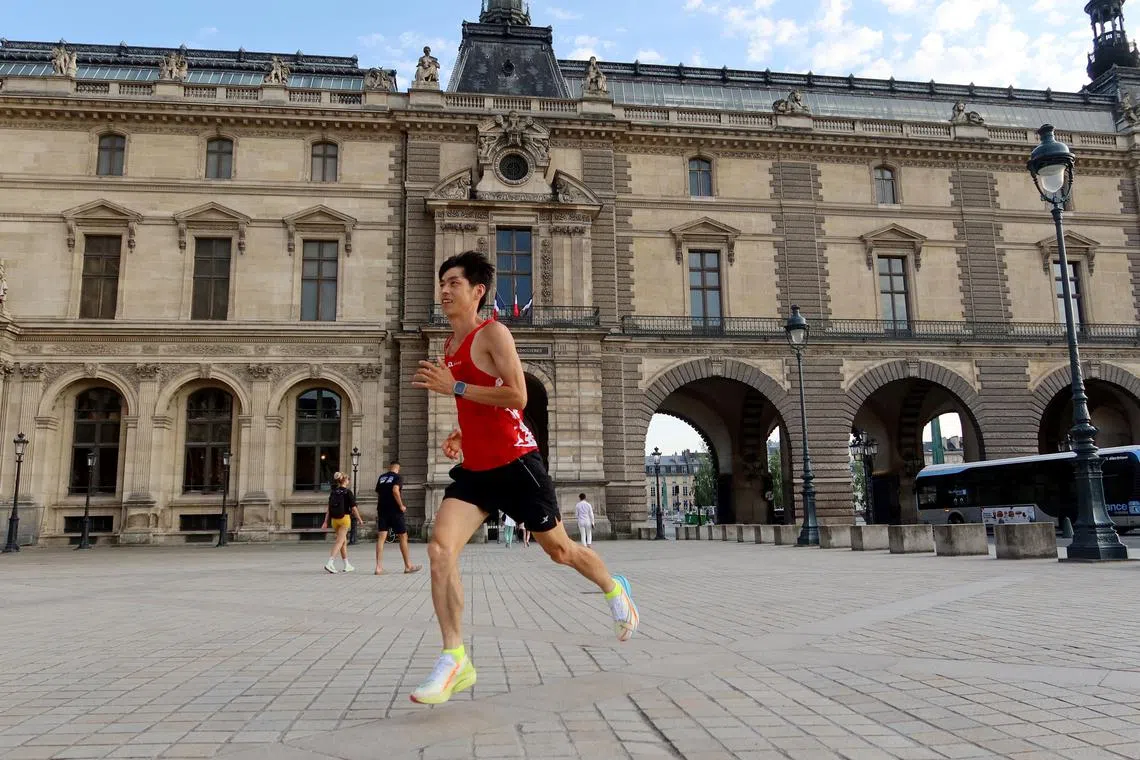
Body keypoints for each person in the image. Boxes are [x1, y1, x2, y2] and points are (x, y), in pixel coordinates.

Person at [409, 250, 639, 705]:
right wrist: (459, 431)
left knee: (560, 551)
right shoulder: (449, 348)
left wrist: (452, 387)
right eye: (442, 282)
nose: (445, 289)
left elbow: (516, 395)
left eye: (454, 282)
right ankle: (455, 657)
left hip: (516, 464)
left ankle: (615, 587)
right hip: (477, 468)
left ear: (477, 292)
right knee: (439, 550)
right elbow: (478, 404)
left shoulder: (492, 332)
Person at [375, 460, 422, 576]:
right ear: (398, 468)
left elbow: (378, 492)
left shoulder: (381, 477)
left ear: (389, 467)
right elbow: (395, 490)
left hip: (382, 510)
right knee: (403, 536)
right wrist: (401, 505)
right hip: (395, 511)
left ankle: (378, 567)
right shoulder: (397, 477)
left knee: (381, 538)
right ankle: (408, 566)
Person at [321, 472, 363, 573]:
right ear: (345, 481)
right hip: (344, 519)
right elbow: (354, 508)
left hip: (334, 520)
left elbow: (329, 508)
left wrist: (325, 521)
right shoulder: (348, 492)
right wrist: (359, 519)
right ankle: (330, 563)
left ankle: (347, 564)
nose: (349, 481)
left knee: (343, 542)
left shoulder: (334, 492)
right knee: (339, 542)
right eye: (348, 479)